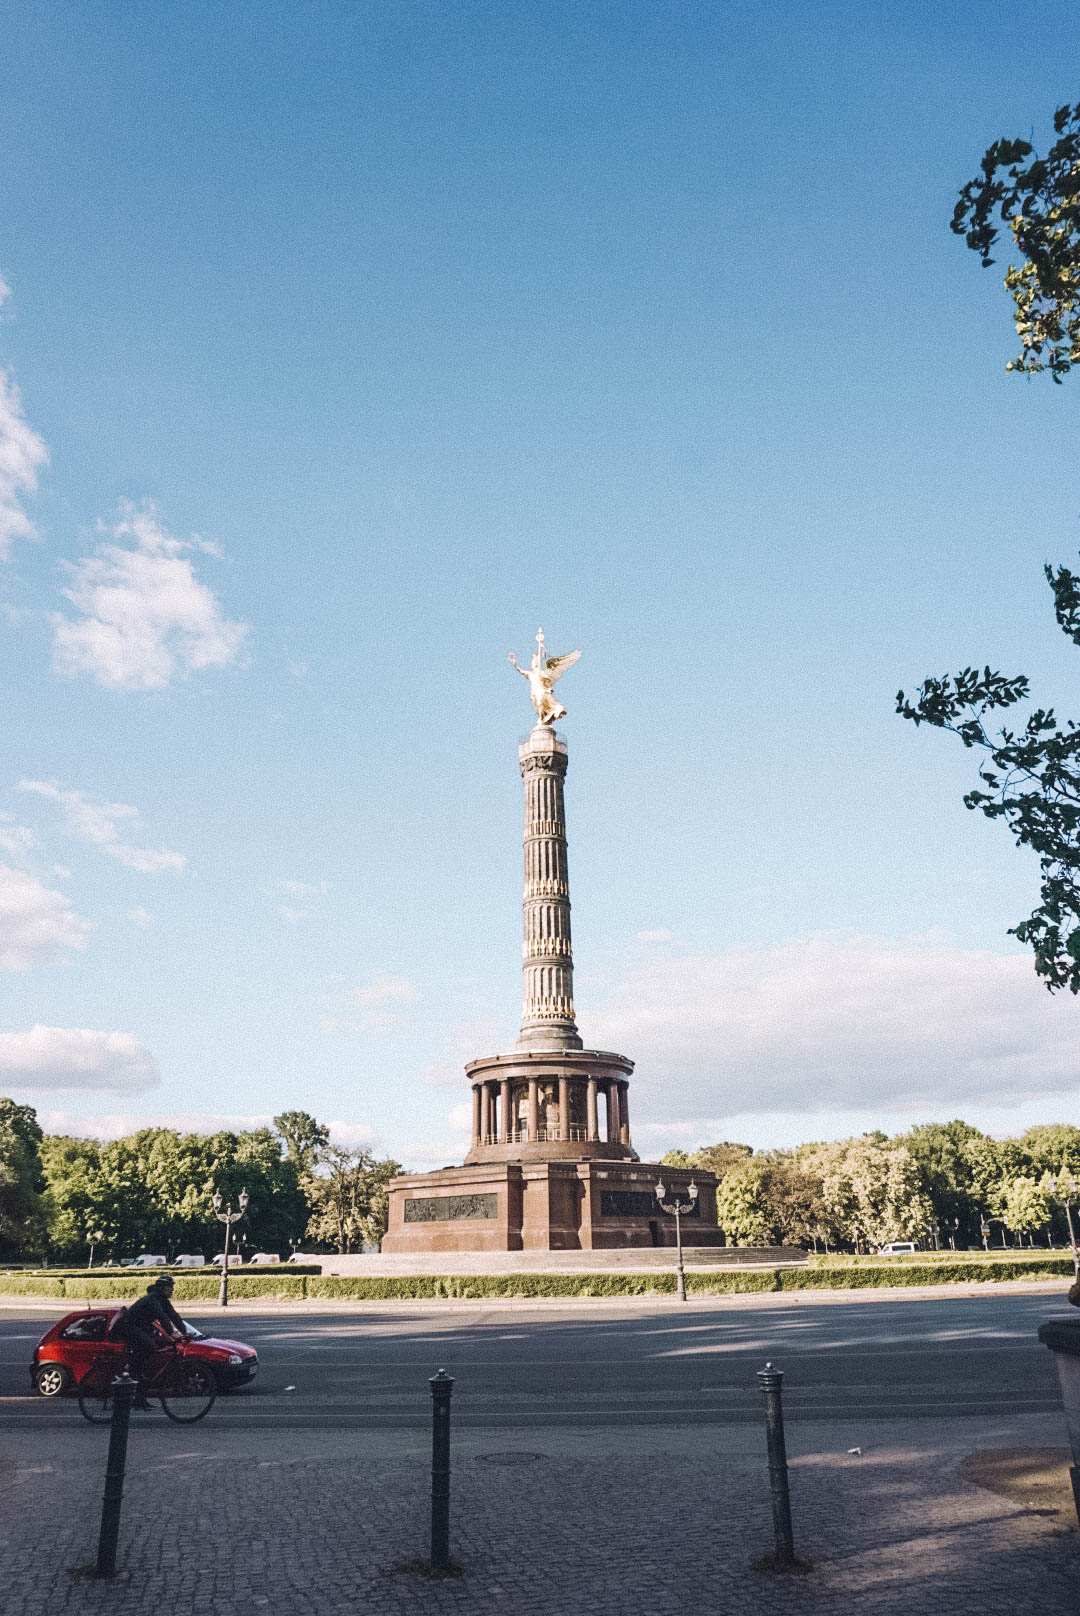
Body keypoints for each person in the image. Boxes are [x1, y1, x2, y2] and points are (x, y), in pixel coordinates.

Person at [113, 1275, 186, 1406]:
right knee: (150, 1347)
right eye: (170, 1287)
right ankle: (131, 1370)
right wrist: (173, 1333)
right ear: (163, 1288)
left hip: (141, 1328)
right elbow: (163, 1318)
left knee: (161, 1343)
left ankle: (140, 1397)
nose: (172, 1290)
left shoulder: (163, 1300)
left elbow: (174, 1316)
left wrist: (185, 1332)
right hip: (128, 1327)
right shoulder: (153, 1299)